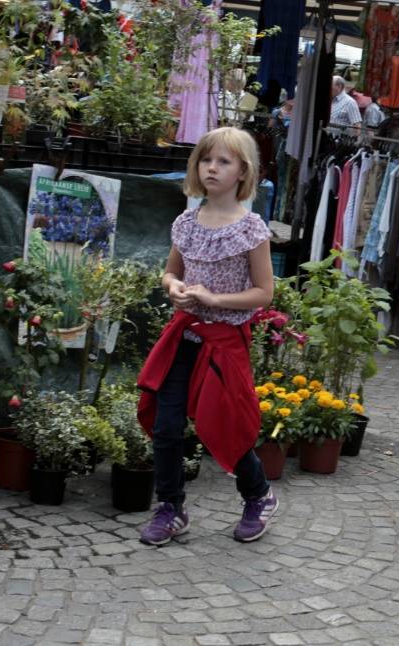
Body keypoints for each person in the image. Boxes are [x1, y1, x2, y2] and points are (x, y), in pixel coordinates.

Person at [137, 127, 276, 545]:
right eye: (206, 159)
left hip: (224, 340)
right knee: (166, 425)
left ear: (242, 172)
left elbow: (264, 292)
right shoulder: (186, 222)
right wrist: (173, 287)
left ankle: (258, 494)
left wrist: (215, 298)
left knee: (226, 424)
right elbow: (170, 271)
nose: (212, 168)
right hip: (184, 336)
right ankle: (170, 507)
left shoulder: (251, 229)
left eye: (224, 161)